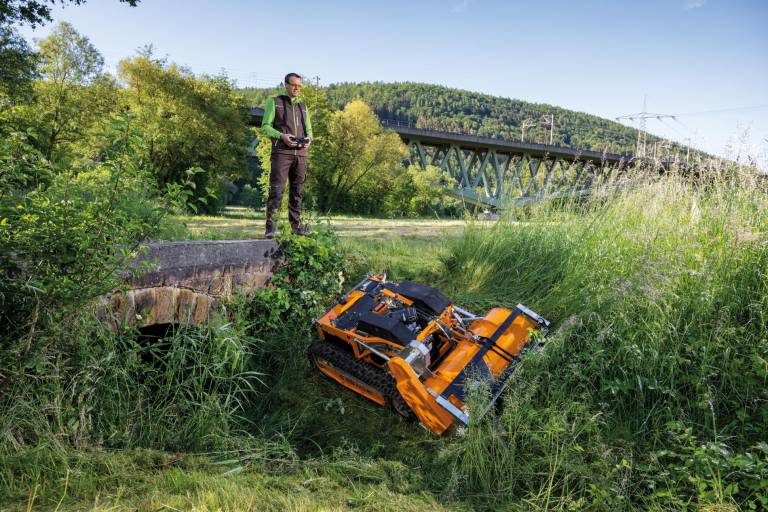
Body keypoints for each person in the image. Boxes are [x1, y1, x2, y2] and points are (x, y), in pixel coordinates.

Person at [261, 72, 314, 238]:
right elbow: (265, 127)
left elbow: (310, 130)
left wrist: (309, 139)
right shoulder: (274, 102)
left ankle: (296, 228)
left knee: (297, 192)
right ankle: (271, 230)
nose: (297, 88)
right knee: (277, 190)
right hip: (282, 152)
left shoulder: (303, 107)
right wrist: (282, 136)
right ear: (286, 85)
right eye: (294, 85)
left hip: (301, 154)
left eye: (299, 86)